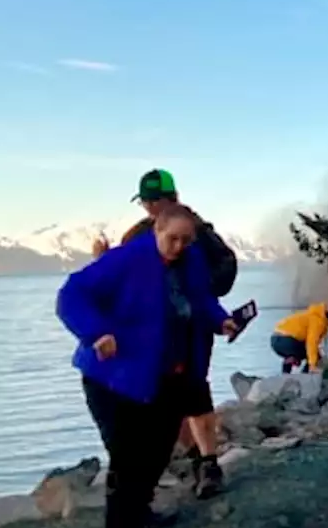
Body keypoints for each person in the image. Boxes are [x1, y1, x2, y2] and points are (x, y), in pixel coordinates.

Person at [58, 203, 239, 528]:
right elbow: (71, 295)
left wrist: (222, 321)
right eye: (172, 239)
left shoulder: (191, 260)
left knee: (157, 453)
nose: (179, 247)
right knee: (127, 456)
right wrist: (96, 332)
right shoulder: (126, 260)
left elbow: (201, 300)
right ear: (157, 230)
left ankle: (140, 512)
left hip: (168, 376)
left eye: (186, 241)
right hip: (112, 377)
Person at [92, 168, 238, 499]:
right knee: (188, 394)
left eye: (147, 202)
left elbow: (114, 280)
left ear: (155, 202)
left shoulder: (149, 234)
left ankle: (201, 462)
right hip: (181, 328)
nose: (146, 208)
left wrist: (102, 260)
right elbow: (223, 272)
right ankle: (203, 463)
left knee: (185, 395)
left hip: (173, 331)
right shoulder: (199, 229)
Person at [271, 302, 328, 374]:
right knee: (316, 357)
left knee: (294, 355)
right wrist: (312, 365)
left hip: (275, 341)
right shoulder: (318, 322)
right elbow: (312, 343)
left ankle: (285, 375)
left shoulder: (308, 315)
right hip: (288, 341)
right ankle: (306, 374)